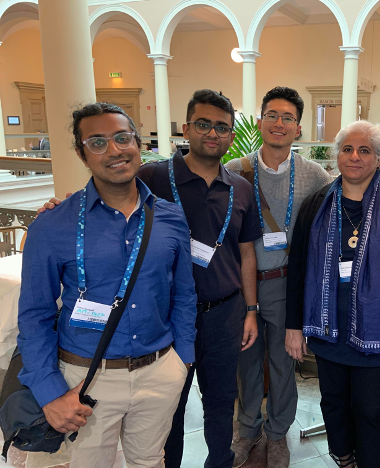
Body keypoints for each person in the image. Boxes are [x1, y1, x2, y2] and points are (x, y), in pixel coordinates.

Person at [38, 90, 262, 468]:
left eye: (222, 127)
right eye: (204, 124)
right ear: (186, 128)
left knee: (221, 402)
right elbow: (107, 192)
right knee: (168, 412)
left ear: (231, 135)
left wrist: (251, 309)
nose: (212, 133)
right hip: (166, 316)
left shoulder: (240, 187)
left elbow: (246, 252)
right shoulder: (153, 175)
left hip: (225, 314)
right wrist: (58, 209)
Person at [18, 102, 197, 467]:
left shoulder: (170, 217)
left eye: (122, 138)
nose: (114, 150)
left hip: (159, 371)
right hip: (84, 380)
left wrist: (182, 361)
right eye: (97, 142)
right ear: (82, 154)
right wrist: (51, 392)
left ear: (137, 143)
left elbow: (184, 294)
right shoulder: (53, 227)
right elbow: (34, 316)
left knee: (150, 460)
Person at [286, 120, 380, 468]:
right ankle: (344, 456)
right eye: (347, 149)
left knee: (370, 407)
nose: (355, 157)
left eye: (364, 150)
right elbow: (298, 269)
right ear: (337, 156)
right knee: (334, 402)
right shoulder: (318, 203)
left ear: (378, 158)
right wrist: (293, 326)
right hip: (328, 329)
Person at [225, 86, 333, 467]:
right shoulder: (235, 170)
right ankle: (247, 430)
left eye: (288, 118)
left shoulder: (315, 175)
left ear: (298, 128)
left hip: (290, 284)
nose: (279, 123)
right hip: (245, 283)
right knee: (246, 361)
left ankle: (277, 434)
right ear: (260, 121)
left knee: (284, 362)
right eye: (272, 115)